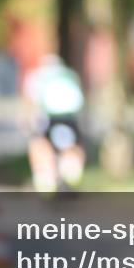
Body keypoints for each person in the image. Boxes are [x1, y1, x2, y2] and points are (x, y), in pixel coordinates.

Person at [22, 54, 86, 193]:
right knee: (72, 145)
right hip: (70, 117)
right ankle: (71, 167)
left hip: (47, 117)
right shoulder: (70, 75)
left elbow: (31, 101)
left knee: (39, 143)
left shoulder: (37, 77)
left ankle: (45, 176)